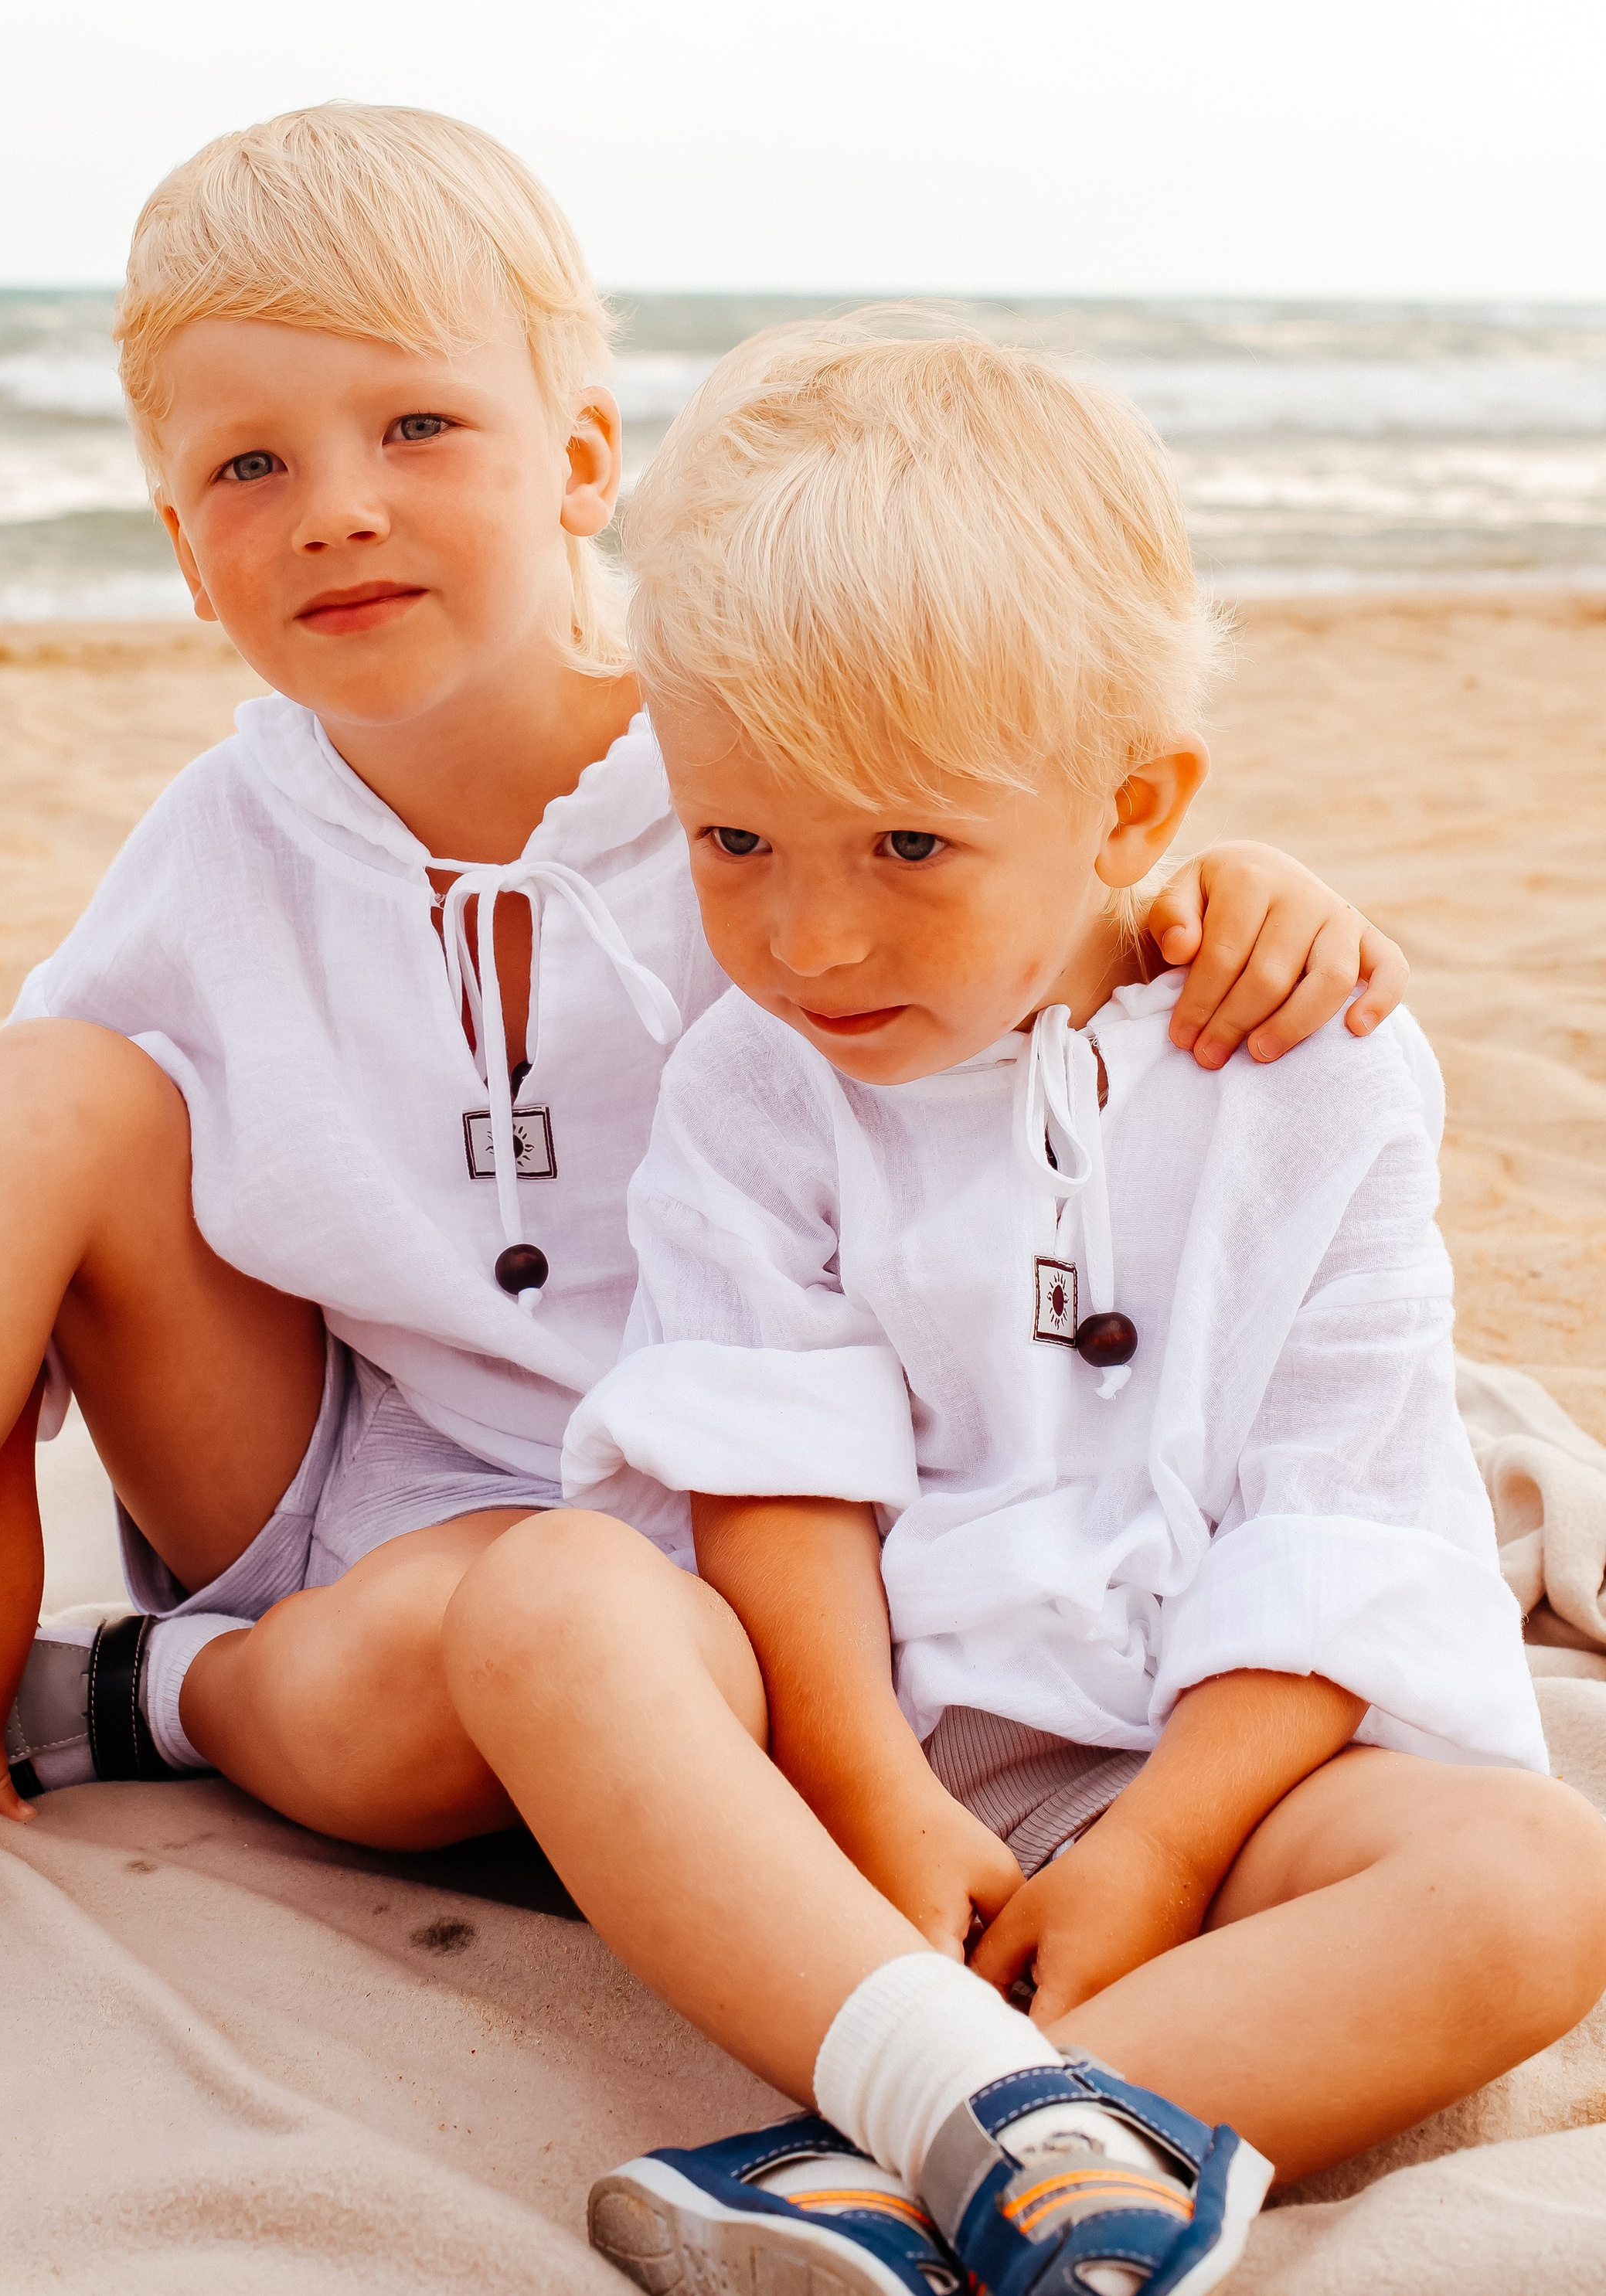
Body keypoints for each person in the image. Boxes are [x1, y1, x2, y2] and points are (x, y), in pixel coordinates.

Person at [0, 111, 1400, 2010]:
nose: (332, 506)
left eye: (414, 428)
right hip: (313, 1464)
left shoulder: (749, 779)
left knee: (445, 1697)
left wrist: (1247, 885)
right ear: (180, 548)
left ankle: (159, 1695)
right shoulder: (227, 837)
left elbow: (1024, 869)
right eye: (248, 463)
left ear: (576, 461)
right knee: (39, 1083)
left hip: (711, 1539)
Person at [423, 325, 1606, 2296]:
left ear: (1130, 809)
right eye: (734, 842)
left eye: (906, 847)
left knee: (1534, 1882)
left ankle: (894, 2159)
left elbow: (1343, 1498)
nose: (807, 936)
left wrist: (1152, 1850)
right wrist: (874, 1797)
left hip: (1216, 1774)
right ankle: (973, 2102)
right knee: (545, 1603)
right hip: (852, 1772)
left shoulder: (1310, 1071)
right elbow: (763, 1460)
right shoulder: (754, 1078)